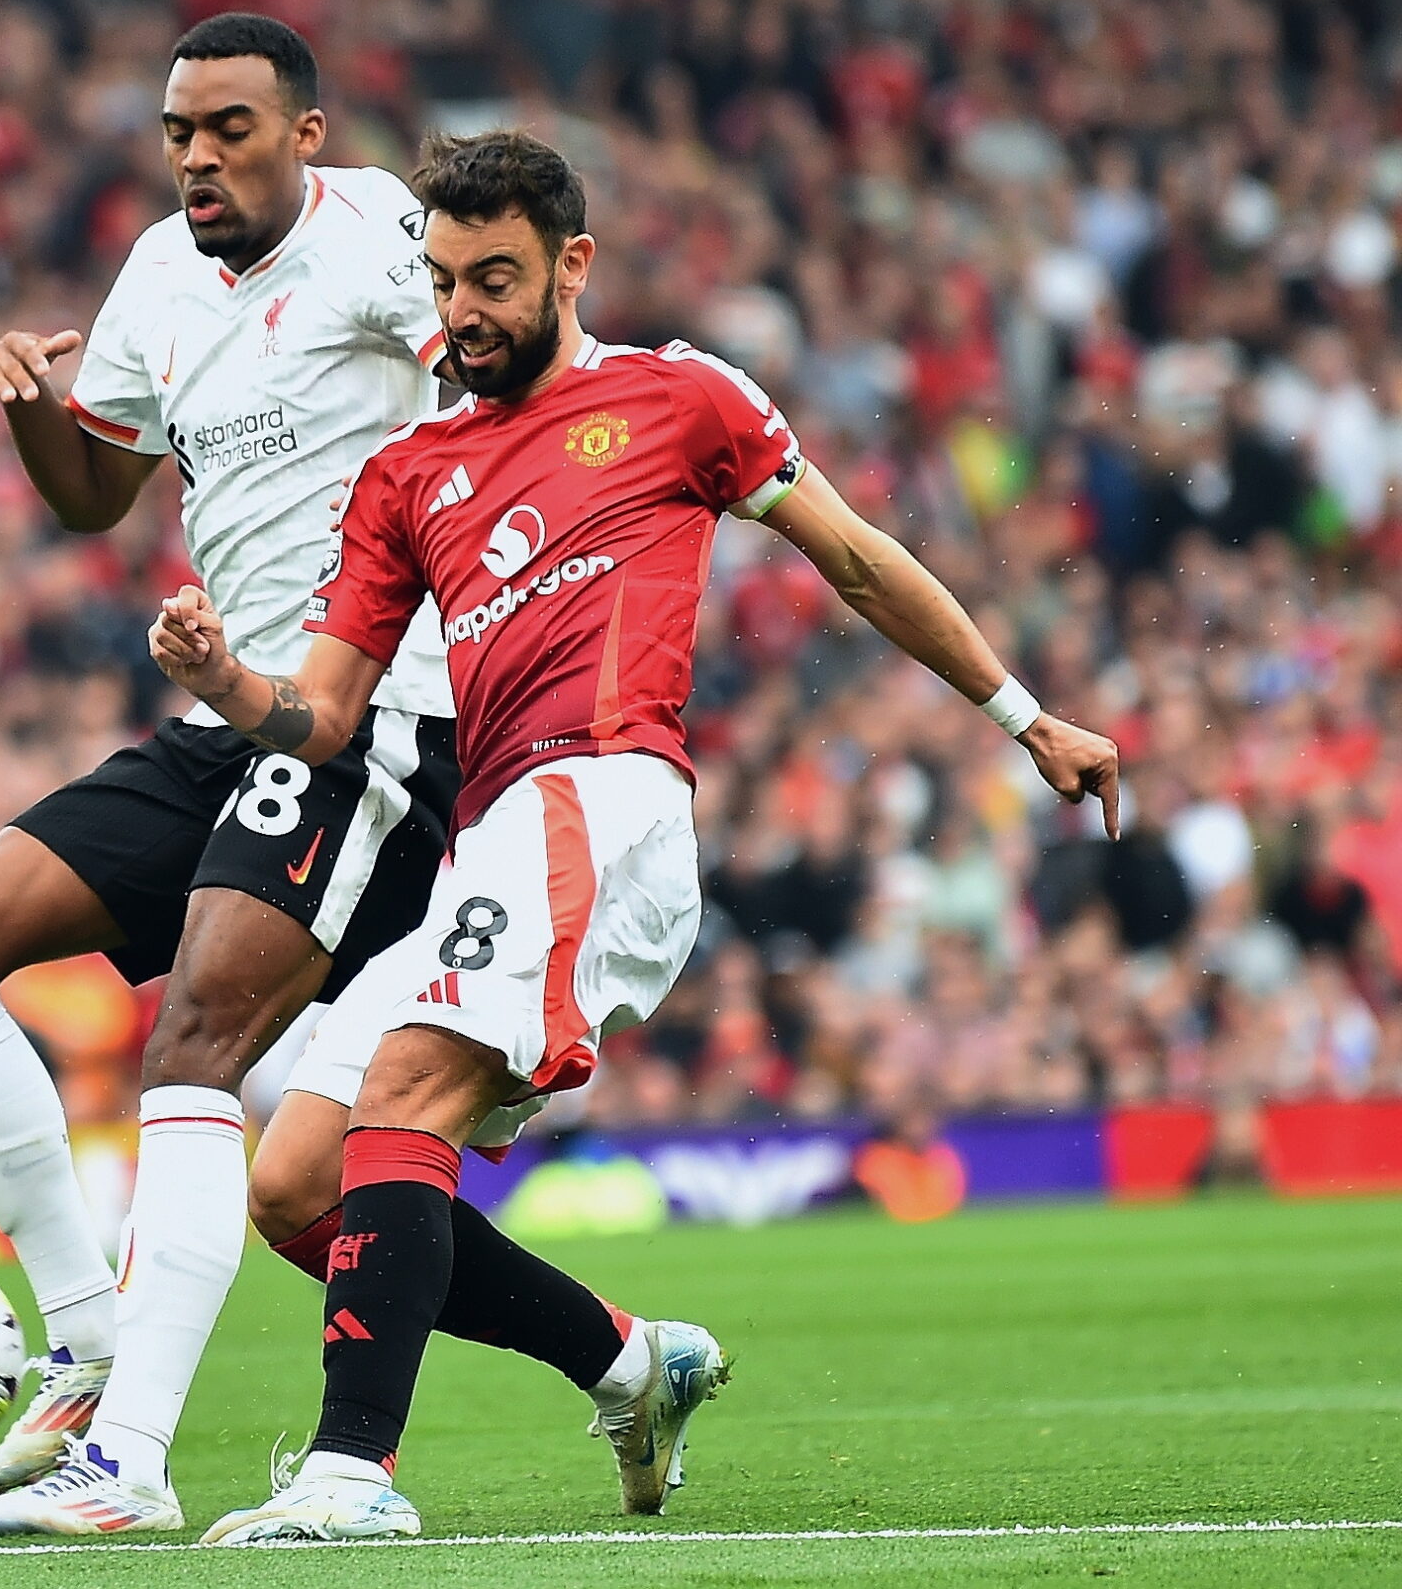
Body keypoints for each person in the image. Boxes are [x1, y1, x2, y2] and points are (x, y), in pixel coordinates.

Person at [147, 130, 1122, 1544]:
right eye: (442, 279)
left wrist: (1023, 713)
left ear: (571, 264)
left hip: (604, 798)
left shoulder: (678, 399)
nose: (461, 310)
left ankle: (352, 1472)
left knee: (405, 1092)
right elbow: (325, 712)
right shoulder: (410, 472)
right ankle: (625, 1358)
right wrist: (225, 685)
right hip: (496, 835)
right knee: (295, 1181)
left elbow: (853, 557)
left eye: (494, 278)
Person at [0, 13, 463, 1535]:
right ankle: (82, 1335)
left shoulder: (385, 239)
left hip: (365, 711)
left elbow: (493, 389)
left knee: (194, 1040)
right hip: (221, 713)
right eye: (179, 133)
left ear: (308, 134)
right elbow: (94, 493)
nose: (199, 157)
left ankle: (125, 1463)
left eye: (229, 128)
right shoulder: (155, 272)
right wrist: (28, 404)